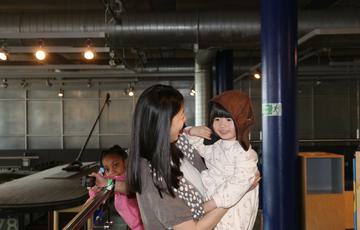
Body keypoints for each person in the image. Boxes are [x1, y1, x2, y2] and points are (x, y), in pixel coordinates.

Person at [126, 84, 260, 230]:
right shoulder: (151, 175)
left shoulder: (179, 144)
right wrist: (236, 194)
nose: (185, 120)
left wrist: (192, 131)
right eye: (181, 115)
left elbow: (197, 143)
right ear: (164, 122)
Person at [183, 90, 259, 230]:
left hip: (235, 207)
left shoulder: (245, 152)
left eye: (229, 120)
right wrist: (192, 131)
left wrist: (211, 204)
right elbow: (194, 143)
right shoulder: (216, 145)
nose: (222, 125)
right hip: (216, 207)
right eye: (217, 119)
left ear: (241, 121)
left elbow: (240, 182)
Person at [88, 145, 144, 230]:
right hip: (134, 224)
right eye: (107, 169)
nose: (111, 171)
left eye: (115, 165)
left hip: (143, 223)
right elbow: (102, 185)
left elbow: (127, 188)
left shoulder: (129, 176)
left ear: (125, 162)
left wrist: (106, 183)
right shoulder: (114, 178)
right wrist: (93, 190)